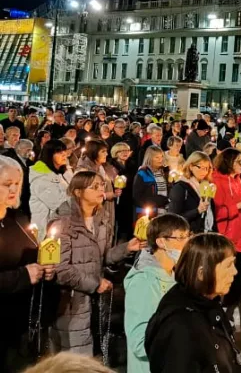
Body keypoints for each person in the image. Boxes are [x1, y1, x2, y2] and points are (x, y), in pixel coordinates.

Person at [50, 171, 142, 354]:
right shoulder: (62, 222)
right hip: (71, 303)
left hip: (95, 302)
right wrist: (95, 283)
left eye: (102, 185)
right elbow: (59, 269)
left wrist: (126, 249)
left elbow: (103, 256)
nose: (102, 190)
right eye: (94, 187)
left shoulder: (102, 219)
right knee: (74, 359)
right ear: (78, 192)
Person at [145, 233, 241, 373]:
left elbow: (230, 360)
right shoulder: (179, 327)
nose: (235, 271)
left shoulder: (210, 304)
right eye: (228, 265)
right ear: (201, 273)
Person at [0, 156, 55, 371]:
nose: (14, 189)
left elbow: (33, 255)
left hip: (20, 323)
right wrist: (24, 275)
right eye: (6, 184)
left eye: (17, 183)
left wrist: (45, 268)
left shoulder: (18, 218)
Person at [124, 214, 191, 373]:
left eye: (188, 236)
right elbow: (140, 342)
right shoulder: (144, 282)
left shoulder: (173, 274)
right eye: (180, 237)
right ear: (161, 242)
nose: (187, 243)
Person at [76, 140, 121, 244]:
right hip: (93, 215)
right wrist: (105, 195)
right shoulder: (84, 171)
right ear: (94, 152)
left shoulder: (103, 167)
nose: (106, 154)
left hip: (106, 212)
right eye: (103, 151)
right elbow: (84, 194)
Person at [212, 149, 241, 253]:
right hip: (227, 237)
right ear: (229, 162)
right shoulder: (217, 182)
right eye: (239, 161)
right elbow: (218, 213)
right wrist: (237, 206)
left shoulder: (237, 179)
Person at [29, 140, 70, 240]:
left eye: (65, 152)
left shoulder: (58, 174)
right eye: (60, 153)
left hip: (57, 227)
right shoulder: (41, 178)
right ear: (50, 154)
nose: (64, 155)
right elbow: (58, 204)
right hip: (46, 230)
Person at [168, 151, 213, 234]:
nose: (204, 171)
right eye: (200, 167)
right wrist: (197, 210)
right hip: (187, 234)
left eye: (206, 168)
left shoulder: (205, 186)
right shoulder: (180, 187)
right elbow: (173, 217)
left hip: (204, 232)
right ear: (191, 166)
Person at [133, 145, 169, 219]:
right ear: (150, 158)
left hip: (164, 212)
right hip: (149, 213)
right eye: (157, 157)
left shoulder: (164, 172)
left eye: (162, 156)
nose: (160, 159)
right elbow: (137, 197)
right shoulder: (143, 173)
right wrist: (155, 203)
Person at [110, 142, 135, 241]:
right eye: (122, 151)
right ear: (116, 152)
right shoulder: (111, 165)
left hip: (129, 197)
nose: (125, 153)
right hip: (117, 198)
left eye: (127, 151)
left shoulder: (132, 164)